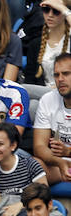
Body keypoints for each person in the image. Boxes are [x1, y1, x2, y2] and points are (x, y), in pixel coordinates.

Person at [32, 53, 71, 184]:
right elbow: (39, 146)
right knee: (34, 165)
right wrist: (60, 162)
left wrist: (68, 151)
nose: (60, 79)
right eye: (56, 75)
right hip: (58, 165)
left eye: (66, 74)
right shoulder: (48, 100)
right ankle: (45, 203)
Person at [24, 0, 71, 99]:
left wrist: (64, 10)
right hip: (44, 96)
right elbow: (30, 80)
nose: (50, 15)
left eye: (56, 10)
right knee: (28, 97)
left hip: (68, 93)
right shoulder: (35, 44)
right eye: (46, 9)